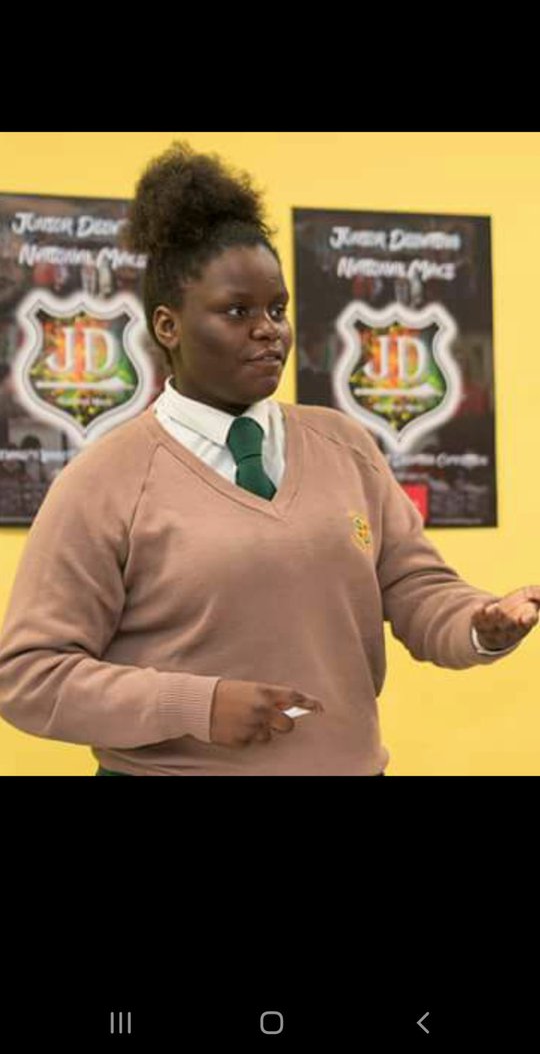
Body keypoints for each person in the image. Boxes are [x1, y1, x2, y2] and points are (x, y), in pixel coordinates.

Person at [0, 142, 539, 776]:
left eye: (277, 309)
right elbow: (30, 676)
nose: (269, 329)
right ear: (168, 326)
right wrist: (197, 706)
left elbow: (415, 588)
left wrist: (477, 624)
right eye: (237, 311)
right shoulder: (104, 481)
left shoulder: (345, 446)